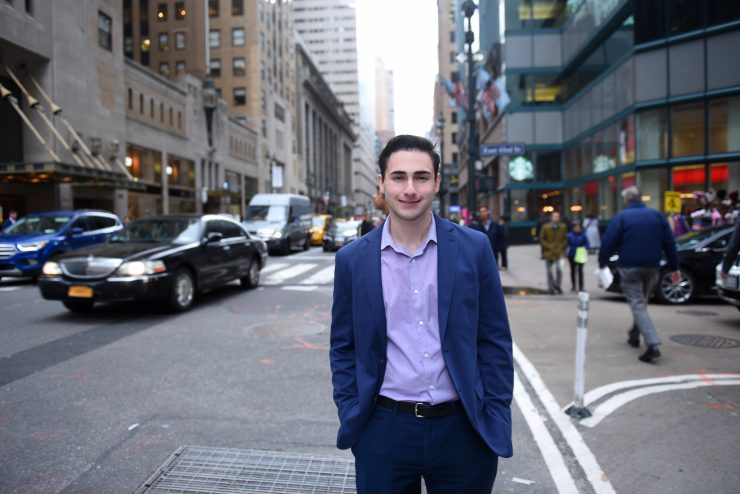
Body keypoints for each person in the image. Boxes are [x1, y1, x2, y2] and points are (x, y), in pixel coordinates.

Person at [330, 134, 513, 493]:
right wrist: (352, 411)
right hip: (383, 429)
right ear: (381, 182)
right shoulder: (352, 259)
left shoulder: (474, 248)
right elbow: (343, 347)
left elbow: (493, 340)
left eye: (421, 177)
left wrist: (494, 411)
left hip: (463, 431)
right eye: (399, 177)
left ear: (437, 182)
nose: (410, 189)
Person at [599, 186, 680, 363]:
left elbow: (608, 242)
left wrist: (602, 263)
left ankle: (652, 344)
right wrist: (675, 267)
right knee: (641, 303)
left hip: (630, 267)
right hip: (652, 266)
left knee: (637, 304)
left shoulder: (622, 217)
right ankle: (634, 334)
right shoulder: (657, 216)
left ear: (627, 199)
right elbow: (670, 243)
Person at [540, 211, 568, 294]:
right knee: (549, 271)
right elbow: (542, 238)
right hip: (549, 253)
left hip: (559, 253)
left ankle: (558, 285)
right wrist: (548, 247)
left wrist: (561, 247)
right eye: (554, 217)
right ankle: (551, 287)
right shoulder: (546, 227)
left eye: (557, 217)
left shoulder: (563, 227)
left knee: (559, 270)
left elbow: (565, 239)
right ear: (551, 218)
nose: (556, 218)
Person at [566, 222, 590, 292]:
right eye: (575, 227)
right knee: (573, 270)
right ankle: (573, 285)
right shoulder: (569, 235)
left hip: (581, 254)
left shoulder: (583, 235)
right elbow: (566, 244)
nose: (577, 228)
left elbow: (587, 244)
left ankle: (581, 286)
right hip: (572, 254)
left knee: (580, 270)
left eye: (578, 227)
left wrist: (585, 247)